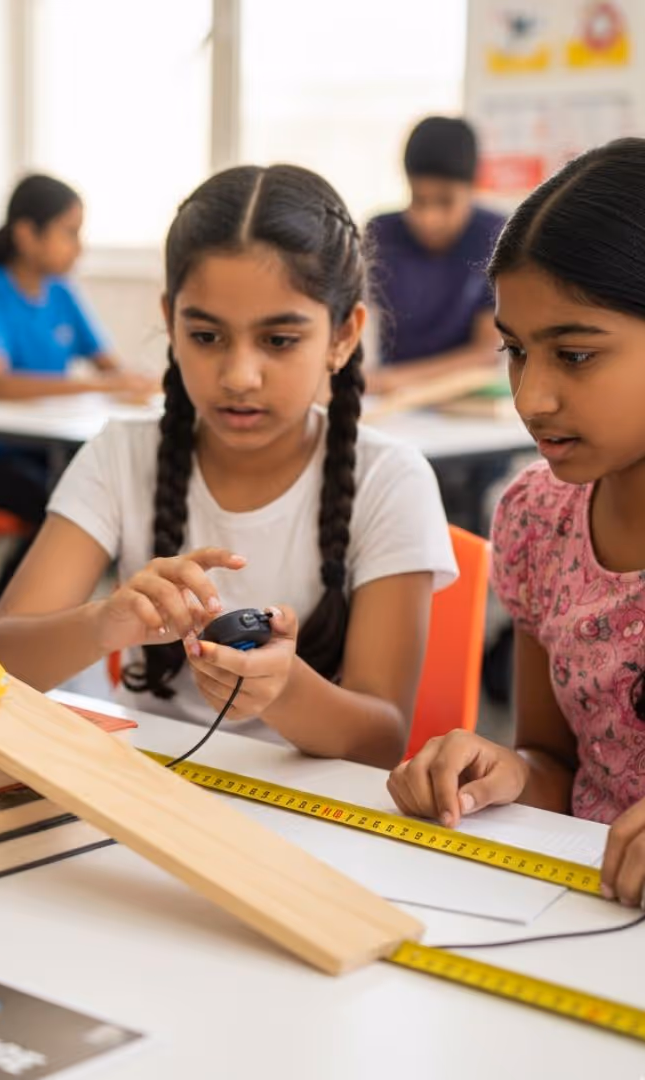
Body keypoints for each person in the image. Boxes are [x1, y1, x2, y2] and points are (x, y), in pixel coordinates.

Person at [0, 164, 457, 768]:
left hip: (318, 810)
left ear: (343, 336)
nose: (239, 375)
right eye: (206, 336)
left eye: (279, 341)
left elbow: (381, 741)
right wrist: (104, 623)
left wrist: (284, 688)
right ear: (171, 321)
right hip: (138, 786)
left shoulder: (391, 480)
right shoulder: (119, 455)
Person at [386, 138, 645, 908]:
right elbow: (557, 760)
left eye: (574, 354)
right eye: (514, 351)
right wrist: (510, 771)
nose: (530, 397)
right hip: (584, 916)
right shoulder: (539, 518)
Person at [0, 175, 157, 602]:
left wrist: (136, 381)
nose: (79, 247)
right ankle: (10, 610)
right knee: (62, 504)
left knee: (110, 491)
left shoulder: (63, 292)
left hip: (43, 453)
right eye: (69, 233)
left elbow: (110, 366)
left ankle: (54, 610)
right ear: (27, 234)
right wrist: (99, 386)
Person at [365, 116, 505, 395]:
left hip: (462, 398)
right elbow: (359, 323)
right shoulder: (382, 232)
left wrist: (392, 381)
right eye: (418, 200)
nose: (428, 218)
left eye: (445, 202)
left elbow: (487, 352)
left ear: (472, 188)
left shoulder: (495, 236)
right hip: (390, 404)